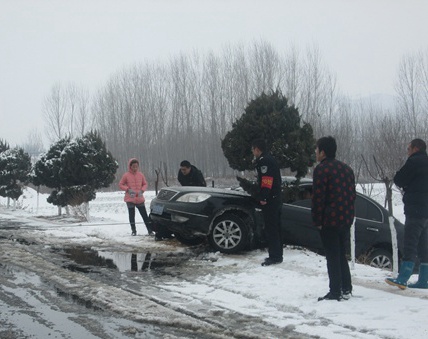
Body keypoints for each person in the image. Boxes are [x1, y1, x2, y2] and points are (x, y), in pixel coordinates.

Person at [312, 136, 356, 301]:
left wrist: (317, 220)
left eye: (316, 150)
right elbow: (352, 196)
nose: (315, 153)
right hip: (345, 218)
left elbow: (318, 198)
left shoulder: (322, 170)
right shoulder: (346, 169)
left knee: (332, 255)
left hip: (329, 220)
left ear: (322, 152)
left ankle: (335, 291)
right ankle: (346, 287)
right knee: (341, 254)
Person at [386, 138, 428, 290]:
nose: (407, 151)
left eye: (408, 148)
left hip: (414, 210)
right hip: (426, 212)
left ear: (415, 148)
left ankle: (403, 277)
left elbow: (399, 179)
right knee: (424, 246)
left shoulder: (414, 161)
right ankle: (424, 280)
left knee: (410, 243)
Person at [251, 138, 283, 266]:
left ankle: (275, 256)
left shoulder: (264, 161)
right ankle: (278, 254)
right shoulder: (270, 159)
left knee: (272, 228)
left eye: (253, 150)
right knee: (276, 227)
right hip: (276, 198)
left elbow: (266, 180)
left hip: (271, 200)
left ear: (257, 149)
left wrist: (263, 197)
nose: (253, 152)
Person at [119, 158, 153, 236]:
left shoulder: (140, 175)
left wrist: (142, 190)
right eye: (133, 166)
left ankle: (150, 230)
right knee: (132, 215)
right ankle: (133, 231)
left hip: (140, 198)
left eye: (136, 166)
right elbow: (121, 184)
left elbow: (145, 184)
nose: (135, 168)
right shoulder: (126, 175)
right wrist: (128, 189)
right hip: (130, 198)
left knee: (144, 215)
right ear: (130, 166)